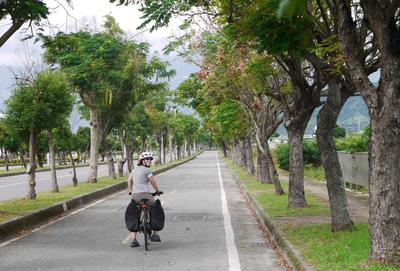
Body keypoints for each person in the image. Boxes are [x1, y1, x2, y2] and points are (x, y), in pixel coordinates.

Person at [127, 151, 162, 247]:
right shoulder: (147, 171)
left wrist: (130, 191)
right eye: (147, 159)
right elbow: (153, 182)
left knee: (135, 213)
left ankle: (134, 239)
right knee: (155, 209)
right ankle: (155, 233)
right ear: (142, 161)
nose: (150, 160)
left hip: (135, 196)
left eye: (151, 159)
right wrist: (158, 190)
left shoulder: (135, 170)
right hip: (146, 195)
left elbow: (129, 180)